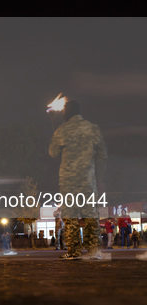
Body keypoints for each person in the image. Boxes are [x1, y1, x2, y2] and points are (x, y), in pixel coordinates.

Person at [49, 100, 107, 260]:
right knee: (90, 216)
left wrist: (57, 132)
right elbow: (103, 154)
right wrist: (100, 178)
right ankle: (94, 251)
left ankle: (73, 251)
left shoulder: (62, 130)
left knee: (71, 217)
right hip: (88, 181)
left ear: (67, 112)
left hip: (69, 182)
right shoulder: (93, 129)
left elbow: (53, 152)